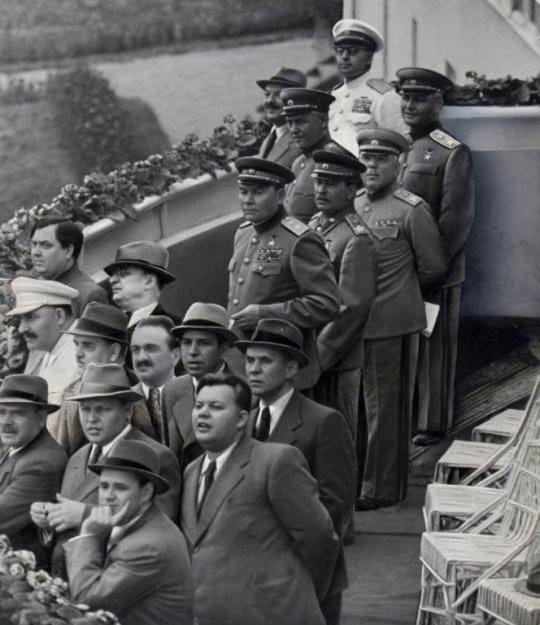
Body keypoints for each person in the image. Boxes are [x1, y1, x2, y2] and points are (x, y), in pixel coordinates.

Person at [181, 373, 339, 625]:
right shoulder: (191, 472)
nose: (203, 413)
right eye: (199, 405)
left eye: (216, 407)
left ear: (242, 418)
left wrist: (294, 592)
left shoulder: (276, 461)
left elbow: (319, 536)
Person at [237, 319, 355, 625]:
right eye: (249, 360)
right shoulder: (244, 422)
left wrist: (298, 568)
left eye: (265, 361)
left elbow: (336, 507)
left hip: (308, 576)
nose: (253, 369)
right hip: (250, 578)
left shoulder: (323, 421)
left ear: (291, 369)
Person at [354, 128, 447, 509]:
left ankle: (380, 488)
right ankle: (359, 478)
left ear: (400, 164)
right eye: (366, 159)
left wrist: (398, 295)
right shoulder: (354, 204)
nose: (371, 166)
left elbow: (433, 267)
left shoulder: (411, 209)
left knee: (385, 409)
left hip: (390, 323)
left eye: (381, 159)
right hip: (352, 324)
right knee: (357, 407)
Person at [30, 363, 180, 576]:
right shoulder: (78, 456)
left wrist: (84, 515)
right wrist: (48, 519)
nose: (91, 419)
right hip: (66, 580)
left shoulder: (155, 455)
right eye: (85, 409)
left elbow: (158, 529)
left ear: (128, 411)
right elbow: (66, 524)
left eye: (102, 409)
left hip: (115, 581)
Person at [396, 67, 475, 445]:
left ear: (438, 102)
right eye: (406, 97)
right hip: (399, 269)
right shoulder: (400, 148)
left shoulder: (451, 151)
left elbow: (455, 218)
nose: (410, 105)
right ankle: (407, 418)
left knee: (434, 346)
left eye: (420, 98)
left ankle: (432, 423)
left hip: (437, 268)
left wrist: (432, 268)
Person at [228, 156, 339, 389]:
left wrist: (265, 313)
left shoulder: (300, 240)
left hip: (282, 365)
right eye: (243, 191)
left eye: (257, 192)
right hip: (242, 365)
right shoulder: (244, 233)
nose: (247, 200)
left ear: (279, 196)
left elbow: (325, 303)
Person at [63, 439, 193, 625]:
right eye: (104, 486)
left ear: (146, 492)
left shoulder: (148, 546)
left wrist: (88, 534)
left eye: (120, 488)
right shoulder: (143, 522)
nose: (108, 496)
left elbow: (86, 599)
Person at [308, 147, 377, 435]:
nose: (321, 190)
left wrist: (318, 359)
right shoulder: (314, 226)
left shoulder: (356, 239)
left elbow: (352, 307)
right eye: (318, 182)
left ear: (351, 191)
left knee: (338, 436)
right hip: (308, 355)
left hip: (337, 360)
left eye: (331, 183)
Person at [0, 375, 67, 567]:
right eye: (2, 412)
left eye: (18, 413)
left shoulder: (42, 463)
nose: (6, 421)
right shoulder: (18, 447)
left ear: (40, 418)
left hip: (20, 576)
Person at [162, 302, 238, 470]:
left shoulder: (242, 393)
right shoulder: (172, 390)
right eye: (187, 342)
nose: (193, 351)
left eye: (204, 343)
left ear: (223, 350)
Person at [56, 301, 131, 454]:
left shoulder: (137, 390)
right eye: (77, 344)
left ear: (115, 352)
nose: (78, 354)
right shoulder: (71, 392)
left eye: (88, 346)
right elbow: (65, 453)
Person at [328, 18, 407, 156]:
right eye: (340, 51)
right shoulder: (334, 95)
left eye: (352, 51)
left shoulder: (383, 96)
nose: (345, 57)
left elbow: (401, 146)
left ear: (369, 57)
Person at [7, 277, 79, 411]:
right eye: (21, 319)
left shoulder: (79, 354)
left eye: (30, 317)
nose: (22, 328)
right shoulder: (52, 346)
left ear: (59, 316)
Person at [281, 87, 339, 223]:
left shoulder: (334, 160)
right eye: (290, 123)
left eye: (301, 122)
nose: (294, 130)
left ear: (323, 121)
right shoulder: (298, 162)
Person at [30, 217, 108, 316]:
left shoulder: (89, 295)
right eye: (34, 244)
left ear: (68, 251)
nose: (35, 252)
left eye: (46, 245)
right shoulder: (37, 288)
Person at [104, 240, 181, 330]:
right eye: (113, 274)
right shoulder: (110, 327)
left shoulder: (174, 330)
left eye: (122, 273)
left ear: (149, 281)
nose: (112, 280)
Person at [130, 316, 181, 444]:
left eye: (151, 348)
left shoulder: (194, 398)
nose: (141, 358)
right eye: (135, 350)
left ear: (175, 355)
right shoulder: (123, 403)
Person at [256, 66, 307, 167]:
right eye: (267, 94)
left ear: (298, 99)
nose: (269, 101)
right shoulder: (269, 140)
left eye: (278, 95)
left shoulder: (302, 141)